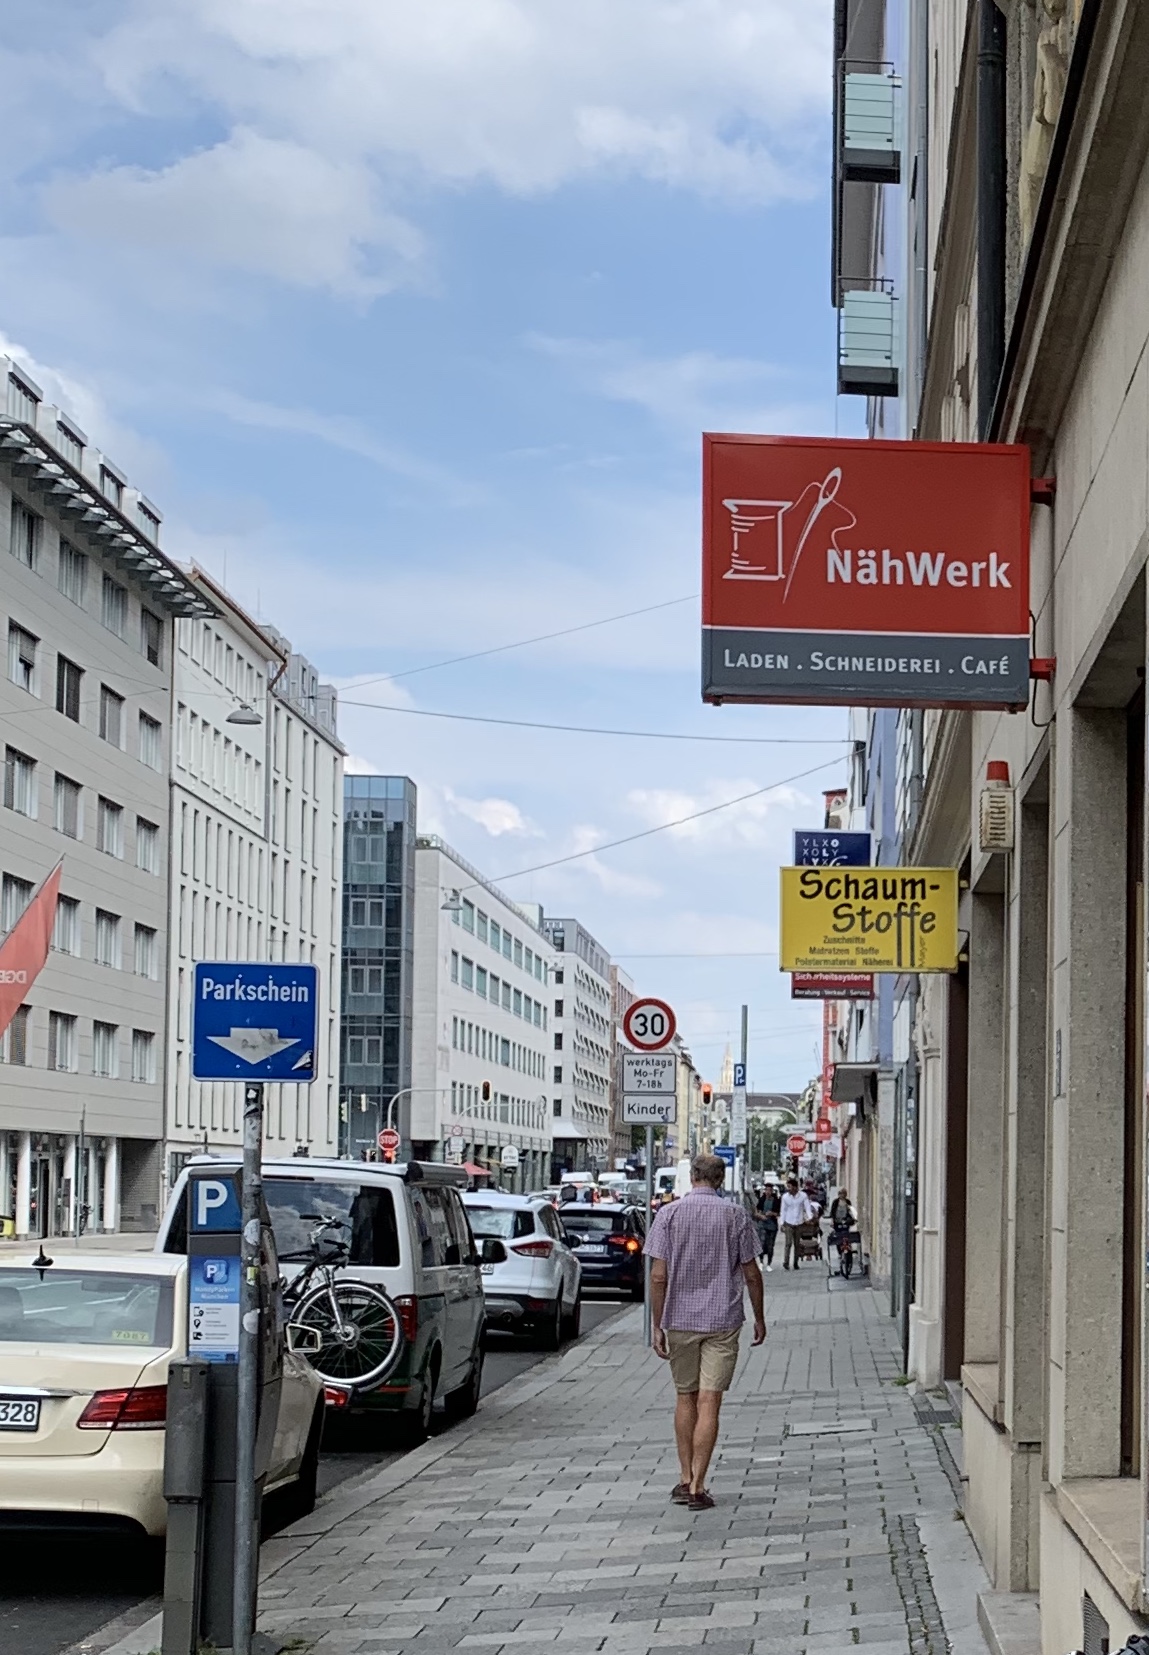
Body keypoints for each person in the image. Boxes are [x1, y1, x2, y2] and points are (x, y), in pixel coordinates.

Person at [645, 1153, 767, 1512]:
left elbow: (658, 1276)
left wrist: (656, 1324)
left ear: (694, 1177)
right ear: (720, 1179)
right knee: (709, 1401)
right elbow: (752, 1273)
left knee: (685, 1396)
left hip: (679, 1319)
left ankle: (685, 1478)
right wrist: (759, 1317)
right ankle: (699, 1485)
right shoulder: (735, 1215)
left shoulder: (668, 1215)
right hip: (722, 1321)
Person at [780, 1176, 815, 1270]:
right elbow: (783, 1210)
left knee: (797, 1244)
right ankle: (786, 1262)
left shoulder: (803, 1196)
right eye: (788, 1187)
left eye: (790, 1187)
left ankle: (795, 1262)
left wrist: (809, 1217)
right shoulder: (785, 1197)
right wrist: (782, 1223)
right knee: (788, 1243)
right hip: (788, 1222)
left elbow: (807, 1208)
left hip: (799, 1223)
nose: (788, 1189)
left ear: (795, 1187)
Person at [755, 1182, 782, 1272]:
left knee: (770, 1246)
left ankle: (769, 1263)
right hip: (762, 1225)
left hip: (772, 1225)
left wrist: (772, 1213)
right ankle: (761, 1262)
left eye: (770, 1190)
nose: (768, 1192)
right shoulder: (761, 1200)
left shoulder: (776, 1201)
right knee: (762, 1244)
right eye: (766, 1190)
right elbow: (757, 1211)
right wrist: (761, 1216)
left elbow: (778, 1213)